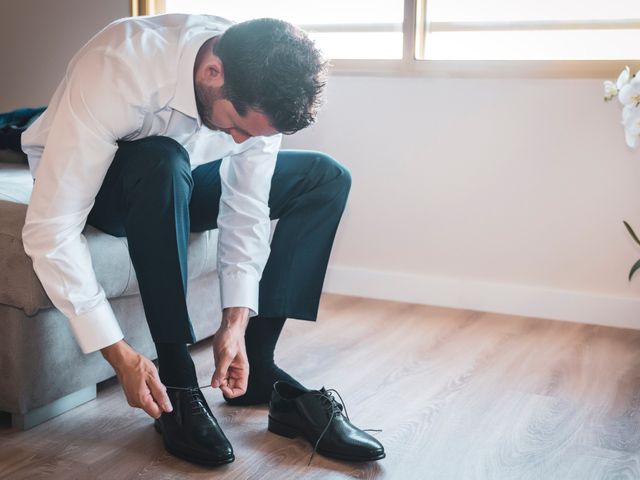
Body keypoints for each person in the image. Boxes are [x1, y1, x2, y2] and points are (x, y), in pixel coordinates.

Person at [20, 13, 385, 466]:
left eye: (251, 134)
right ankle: (177, 381)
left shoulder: (256, 81)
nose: (238, 141)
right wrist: (119, 354)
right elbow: (50, 229)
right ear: (213, 72)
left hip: (183, 180)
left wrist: (235, 321)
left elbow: (246, 207)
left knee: (324, 177)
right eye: (236, 125)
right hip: (108, 190)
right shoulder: (118, 67)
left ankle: (259, 364)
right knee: (162, 160)